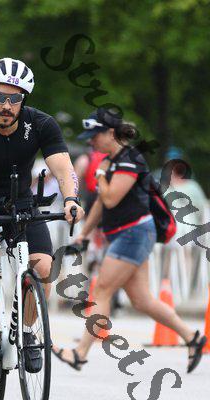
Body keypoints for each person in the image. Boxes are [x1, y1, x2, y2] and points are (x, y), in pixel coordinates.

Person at [0, 57, 84, 365]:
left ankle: (27, 332)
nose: (6, 106)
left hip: (20, 200)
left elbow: (64, 168)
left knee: (44, 268)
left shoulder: (42, 124)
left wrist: (71, 199)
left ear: (24, 101)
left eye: (15, 99)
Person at [52, 108, 207, 374]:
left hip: (133, 234)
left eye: (94, 136)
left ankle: (80, 353)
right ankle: (192, 337)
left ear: (111, 133)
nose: (91, 142)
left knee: (102, 291)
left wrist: (100, 174)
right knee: (142, 300)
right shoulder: (112, 161)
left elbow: (111, 197)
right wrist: (84, 234)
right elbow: (100, 203)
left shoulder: (129, 160)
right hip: (127, 235)